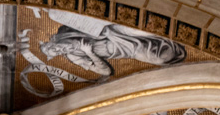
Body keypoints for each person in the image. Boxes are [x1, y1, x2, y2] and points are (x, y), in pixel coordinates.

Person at [40, 23, 186, 77]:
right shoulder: (74, 56)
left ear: (53, 41)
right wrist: (89, 52)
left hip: (113, 31)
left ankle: (181, 32)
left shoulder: (65, 31)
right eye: (57, 53)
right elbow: (106, 72)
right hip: (127, 50)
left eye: (54, 48)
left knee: (144, 30)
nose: (59, 50)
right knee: (161, 59)